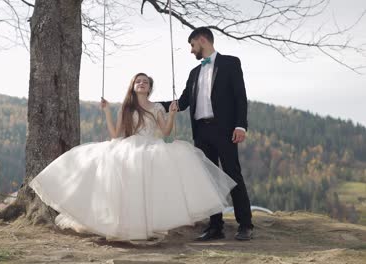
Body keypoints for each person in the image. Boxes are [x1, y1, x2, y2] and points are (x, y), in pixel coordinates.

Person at [29, 72, 236, 241]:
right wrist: (107, 111)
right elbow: (115, 134)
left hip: (150, 145)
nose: (142, 83)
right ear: (132, 86)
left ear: (150, 87)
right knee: (116, 170)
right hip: (128, 145)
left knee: (164, 167)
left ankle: (145, 224)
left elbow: (165, 132)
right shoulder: (126, 107)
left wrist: (172, 114)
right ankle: (124, 224)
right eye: (138, 81)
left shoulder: (156, 108)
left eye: (145, 82)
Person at [160, 27, 254, 241]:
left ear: (202, 40)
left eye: (193, 45)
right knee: (209, 180)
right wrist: (149, 105)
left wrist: (241, 126)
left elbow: (240, 97)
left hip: (225, 131)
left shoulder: (231, 63)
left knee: (232, 174)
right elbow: (181, 103)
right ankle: (215, 227)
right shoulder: (194, 73)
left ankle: (245, 225)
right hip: (201, 133)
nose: (192, 51)